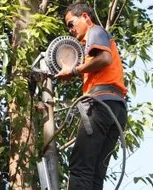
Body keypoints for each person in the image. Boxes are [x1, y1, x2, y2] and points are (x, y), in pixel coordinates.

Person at [55, 2, 128, 190]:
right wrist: (73, 71)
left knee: (80, 168)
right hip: (117, 109)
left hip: (100, 106)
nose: (70, 30)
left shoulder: (95, 32)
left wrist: (73, 71)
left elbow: (104, 59)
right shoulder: (87, 47)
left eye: (71, 23)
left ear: (86, 17)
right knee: (95, 174)